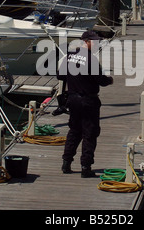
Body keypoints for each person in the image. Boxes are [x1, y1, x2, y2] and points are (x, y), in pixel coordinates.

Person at [57, 30, 113, 178]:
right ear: (86, 41)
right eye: (95, 42)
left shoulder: (70, 56)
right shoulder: (91, 59)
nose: (97, 44)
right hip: (88, 100)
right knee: (90, 133)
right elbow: (101, 80)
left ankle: (66, 162)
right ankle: (85, 167)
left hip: (73, 99)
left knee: (74, 131)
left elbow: (60, 75)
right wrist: (109, 79)